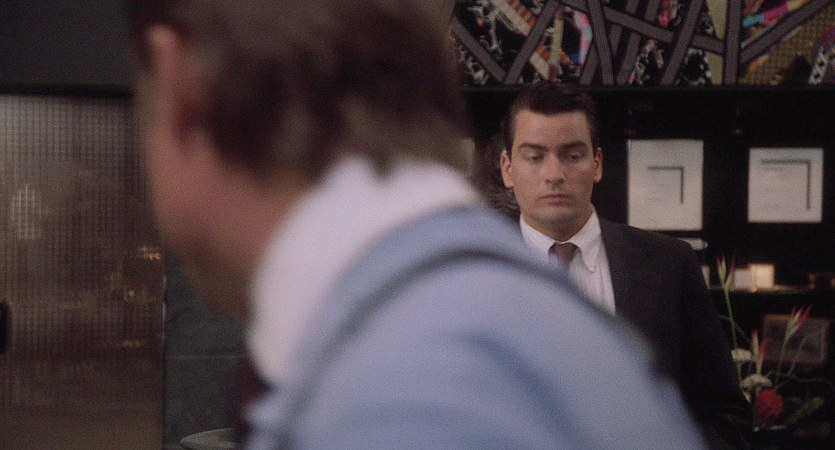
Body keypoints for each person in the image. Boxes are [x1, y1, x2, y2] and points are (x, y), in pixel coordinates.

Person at [127, 2, 708, 448]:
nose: (553, 173)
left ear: (180, 89)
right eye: (535, 155)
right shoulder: (509, 321)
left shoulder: (391, 403)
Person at [498, 81, 752, 449]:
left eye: (572, 155)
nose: (554, 174)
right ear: (507, 168)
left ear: (597, 164)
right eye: (535, 157)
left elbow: (727, 416)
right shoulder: (467, 276)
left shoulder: (669, 264)